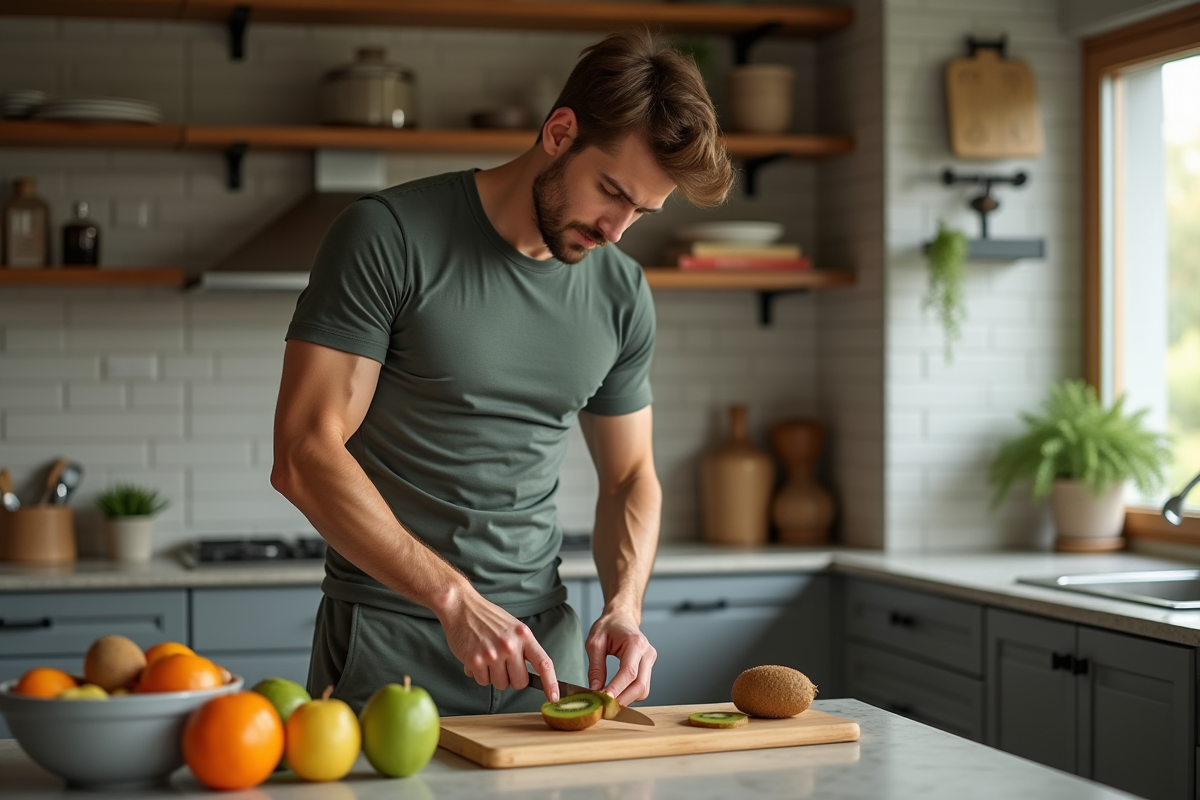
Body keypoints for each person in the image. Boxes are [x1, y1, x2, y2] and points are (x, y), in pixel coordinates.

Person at [270, 29, 733, 717]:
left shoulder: (622, 292)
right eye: (610, 190)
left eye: (640, 210)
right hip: (389, 644)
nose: (616, 228)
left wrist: (625, 606)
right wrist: (454, 599)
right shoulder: (386, 236)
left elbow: (630, 476)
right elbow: (304, 453)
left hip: (545, 658)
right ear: (560, 131)